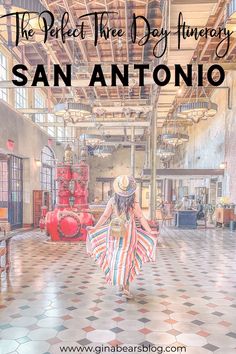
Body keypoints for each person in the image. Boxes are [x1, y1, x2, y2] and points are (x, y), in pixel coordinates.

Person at [87, 175, 158, 299]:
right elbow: (141, 217)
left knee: (114, 257)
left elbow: (104, 217)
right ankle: (125, 286)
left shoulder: (112, 201)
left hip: (114, 231)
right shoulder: (133, 202)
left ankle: (121, 284)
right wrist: (150, 231)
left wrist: (95, 228)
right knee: (127, 259)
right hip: (129, 234)